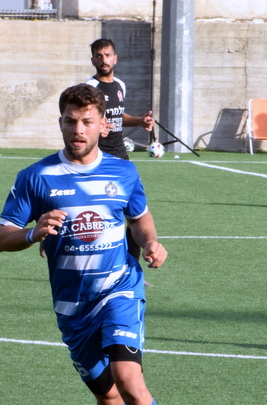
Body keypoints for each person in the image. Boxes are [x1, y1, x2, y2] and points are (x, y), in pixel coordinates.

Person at [0, 83, 181, 405]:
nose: (78, 129)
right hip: (72, 307)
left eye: (86, 122)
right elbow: (2, 237)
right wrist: (33, 233)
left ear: (102, 126)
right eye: (70, 121)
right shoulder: (35, 177)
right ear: (60, 122)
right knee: (107, 395)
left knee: (129, 380)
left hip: (119, 288)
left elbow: (140, 220)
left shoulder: (123, 172)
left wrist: (150, 243)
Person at [85, 38, 154, 265]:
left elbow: (118, 115)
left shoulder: (120, 86)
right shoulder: (89, 88)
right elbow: (84, 119)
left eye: (107, 55)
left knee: (135, 212)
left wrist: (140, 121)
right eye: (99, 56)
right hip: (98, 158)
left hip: (121, 157)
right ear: (93, 60)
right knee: (96, 212)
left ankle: (131, 268)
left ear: (115, 58)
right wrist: (97, 129)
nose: (103, 60)